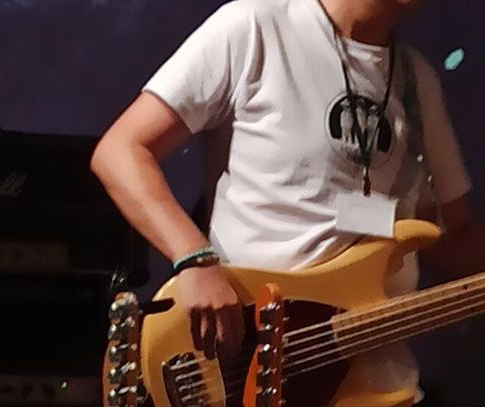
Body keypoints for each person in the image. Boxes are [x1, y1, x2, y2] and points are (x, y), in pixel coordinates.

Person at [91, 0, 485, 403]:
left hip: (380, 387)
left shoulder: (418, 80)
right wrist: (193, 260)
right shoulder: (254, 25)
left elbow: (454, 236)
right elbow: (121, 151)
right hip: (249, 371)